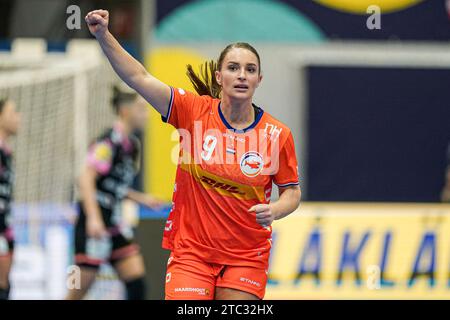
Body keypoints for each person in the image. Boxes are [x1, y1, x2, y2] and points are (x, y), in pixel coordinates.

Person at [85, 9, 301, 300]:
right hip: (192, 254)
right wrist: (103, 35)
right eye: (233, 68)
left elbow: (292, 192)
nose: (241, 75)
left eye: (250, 70)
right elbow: (138, 77)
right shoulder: (192, 112)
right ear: (219, 75)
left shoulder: (277, 134)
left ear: (258, 79)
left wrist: (275, 210)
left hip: (246, 256)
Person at [66, 85, 163, 300]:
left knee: (137, 284)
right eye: (141, 108)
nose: (146, 114)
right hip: (96, 221)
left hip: (115, 223)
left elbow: (113, 186)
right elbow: (86, 178)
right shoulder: (108, 141)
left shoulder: (132, 145)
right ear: (125, 111)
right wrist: (93, 218)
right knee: (79, 289)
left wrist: (140, 198)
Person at [0, 98, 20, 300]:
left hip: (6, 226)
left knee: (5, 285)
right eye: (13, 112)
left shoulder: (6, 152)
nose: (18, 117)